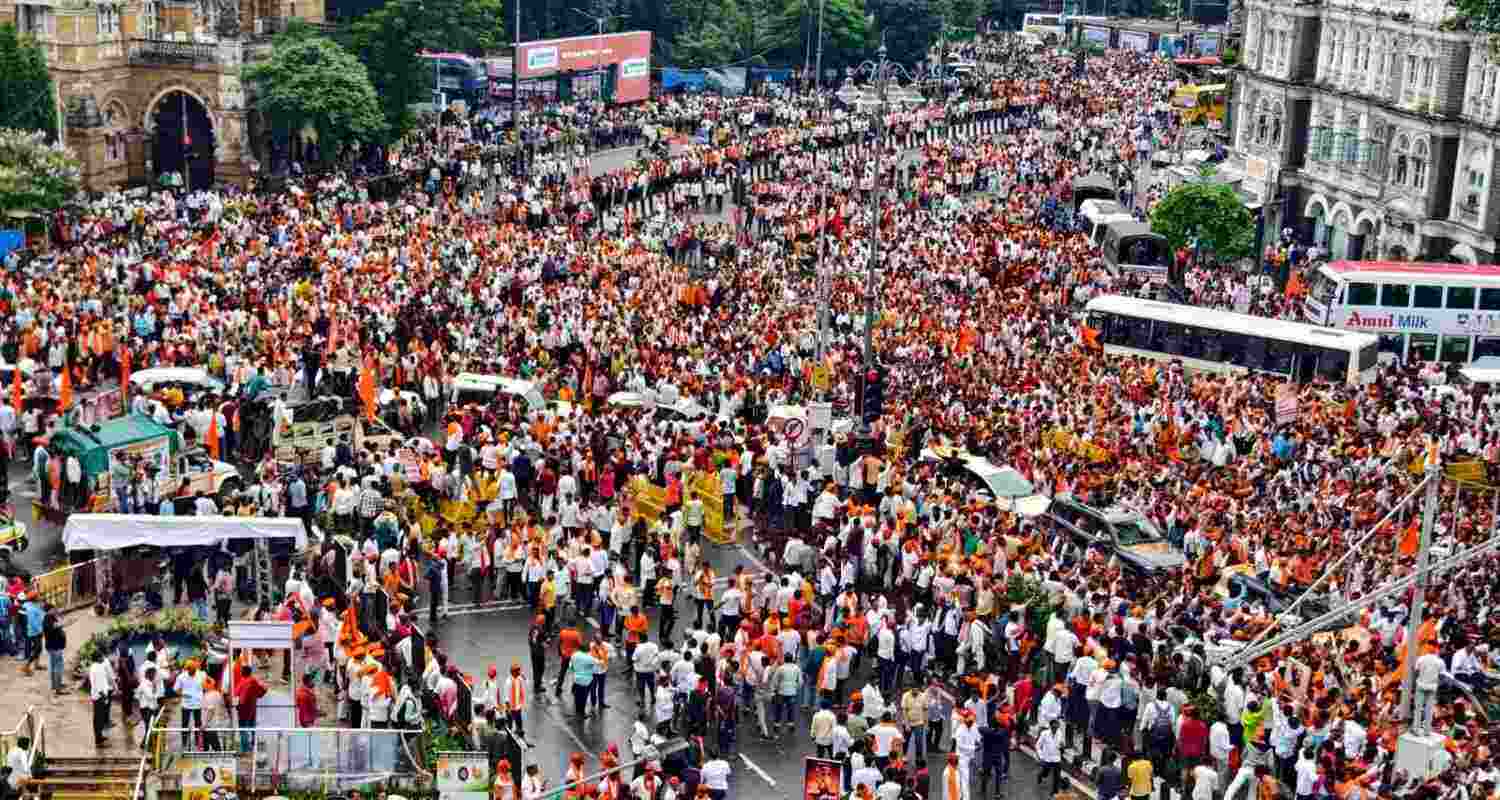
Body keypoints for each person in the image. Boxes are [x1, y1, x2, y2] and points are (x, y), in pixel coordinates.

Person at [234, 664, 267, 753]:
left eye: (241, 671)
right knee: (252, 727)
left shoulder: (242, 681)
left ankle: (245, 749)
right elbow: (263, 691)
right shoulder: (253, 681)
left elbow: (236, 694)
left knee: (243, 729)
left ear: (243, 673)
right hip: (252, 708)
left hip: (243, 709)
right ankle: (252, 745)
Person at [174, 660, 205, 749]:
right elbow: (176, 689)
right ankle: (184, 743)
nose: (193, 671)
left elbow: (208, 684)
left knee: (198, 723)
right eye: (191, 670)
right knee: (184, 724)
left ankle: (198, 742)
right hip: (186, 704)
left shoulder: (201, 675)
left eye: (194, 670)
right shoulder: (181, 677)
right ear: (187, 669)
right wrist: (183, 694)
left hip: (198, 704)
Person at [89, 653, 114, 747]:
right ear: (98, 658)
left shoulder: (94, 667)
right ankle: (98, 740)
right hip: (100, 697)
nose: (103, 658)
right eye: (101, 657)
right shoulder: (98, 668)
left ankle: (99, 736)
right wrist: (104, 696)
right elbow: (99, 685)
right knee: (99, 719)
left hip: (96, 696)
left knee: (98, 718)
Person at [1036, 720, 1064, 796]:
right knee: (1045, 773)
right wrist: (1041, 756)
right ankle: (1040, 775)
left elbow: (1061, 743)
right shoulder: (1044, 734)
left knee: (1057, 776)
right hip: (1047, 759)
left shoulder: (1060, 733)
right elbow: (1038, 745)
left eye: (1057, 728)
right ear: (1050, 727)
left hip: (1056, 759)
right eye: (1054, 728)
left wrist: (1062, 746)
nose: (1055, 729)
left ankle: (1055, 791)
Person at [42, 611, 66, 695]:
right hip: (56, 648)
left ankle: (54, 685)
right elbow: (59, 625)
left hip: (51, 647)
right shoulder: (51, 622)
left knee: (52, 666)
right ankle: (58, 688)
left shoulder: (46, 621)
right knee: (58, 668)